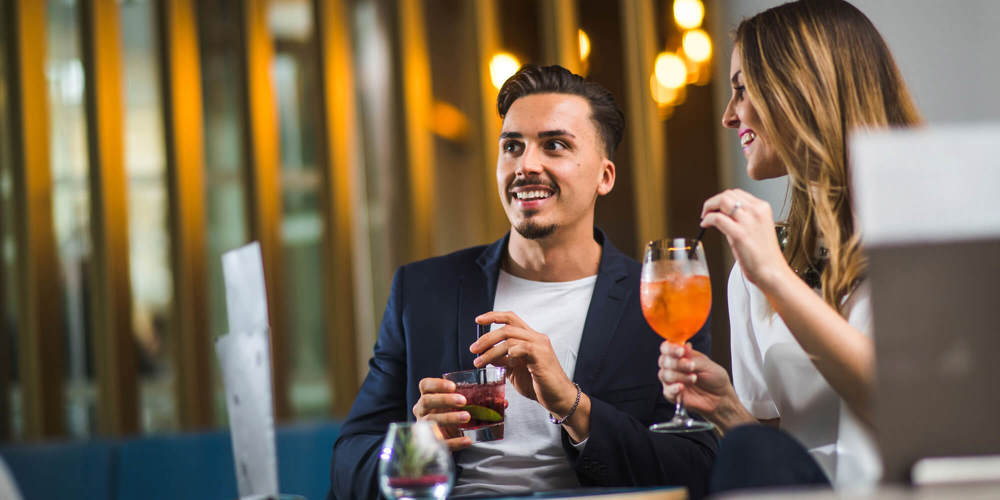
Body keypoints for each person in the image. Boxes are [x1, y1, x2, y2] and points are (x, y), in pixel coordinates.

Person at [330, 64, 716, 499]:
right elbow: (347, 465)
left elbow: (696, 469)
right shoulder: (423, 291)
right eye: (512, 147)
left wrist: (572, 404)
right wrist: (417, 446)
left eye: (555, 145)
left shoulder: (660, 304)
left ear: (604, 176)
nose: (526, 165)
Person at [657, 0, 921, 493]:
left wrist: (776, 278)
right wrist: (725, 407)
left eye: (742, 90)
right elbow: (774, 453)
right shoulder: (758, 268)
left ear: (802, 88)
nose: (728, 116)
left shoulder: (925, 235)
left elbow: (910, 408)